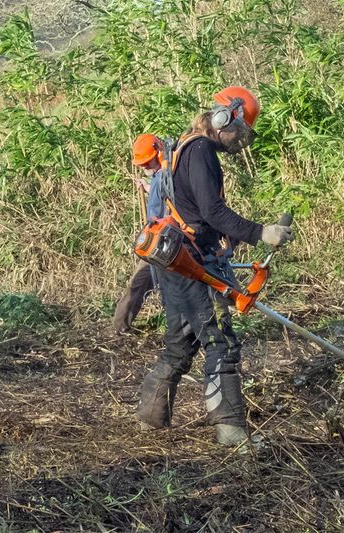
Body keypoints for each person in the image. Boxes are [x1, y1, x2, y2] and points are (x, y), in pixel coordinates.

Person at [136, 86, 294, 446]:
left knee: (181, 343)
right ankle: (231, 432)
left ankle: (150, 418)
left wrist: (229, 237)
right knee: (220, 342)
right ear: (226, 117)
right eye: (239, 130)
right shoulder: (203, 149)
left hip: (172, 260)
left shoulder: (183, 147)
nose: (239, 139)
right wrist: (260, 232)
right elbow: (212, 211)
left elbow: (197, 211)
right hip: (189, 262)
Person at [113, 134, 165, 334]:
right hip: (153, 240)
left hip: (164, 242)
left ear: (158, 154)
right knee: (138, 283)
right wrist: (147, 187)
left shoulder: (169, 176)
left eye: (146, 161)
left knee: (143, 283)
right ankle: (121, 327)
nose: (143, 166)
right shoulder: (159, 176)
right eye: (140, 163)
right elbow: (160, 193)